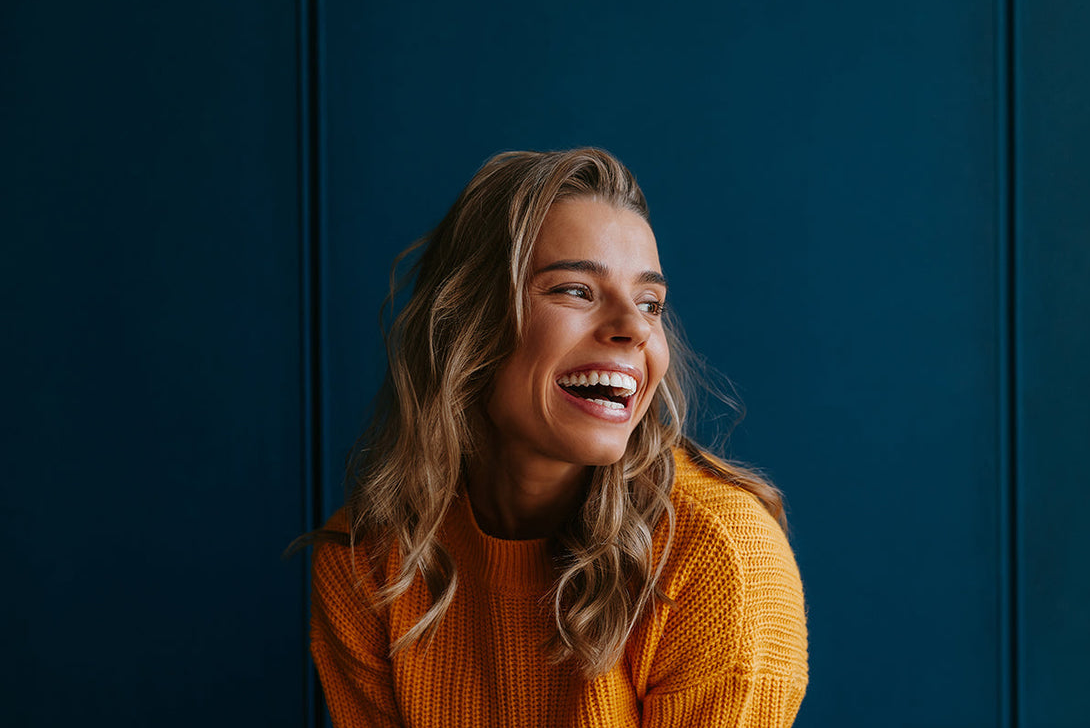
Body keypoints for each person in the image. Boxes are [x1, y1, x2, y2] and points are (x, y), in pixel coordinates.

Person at [308, 148, 808, 727]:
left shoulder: (718, 556)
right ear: (464, 324)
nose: (634, 328)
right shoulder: (366, 561)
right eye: (575, 290)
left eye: (651, 303)